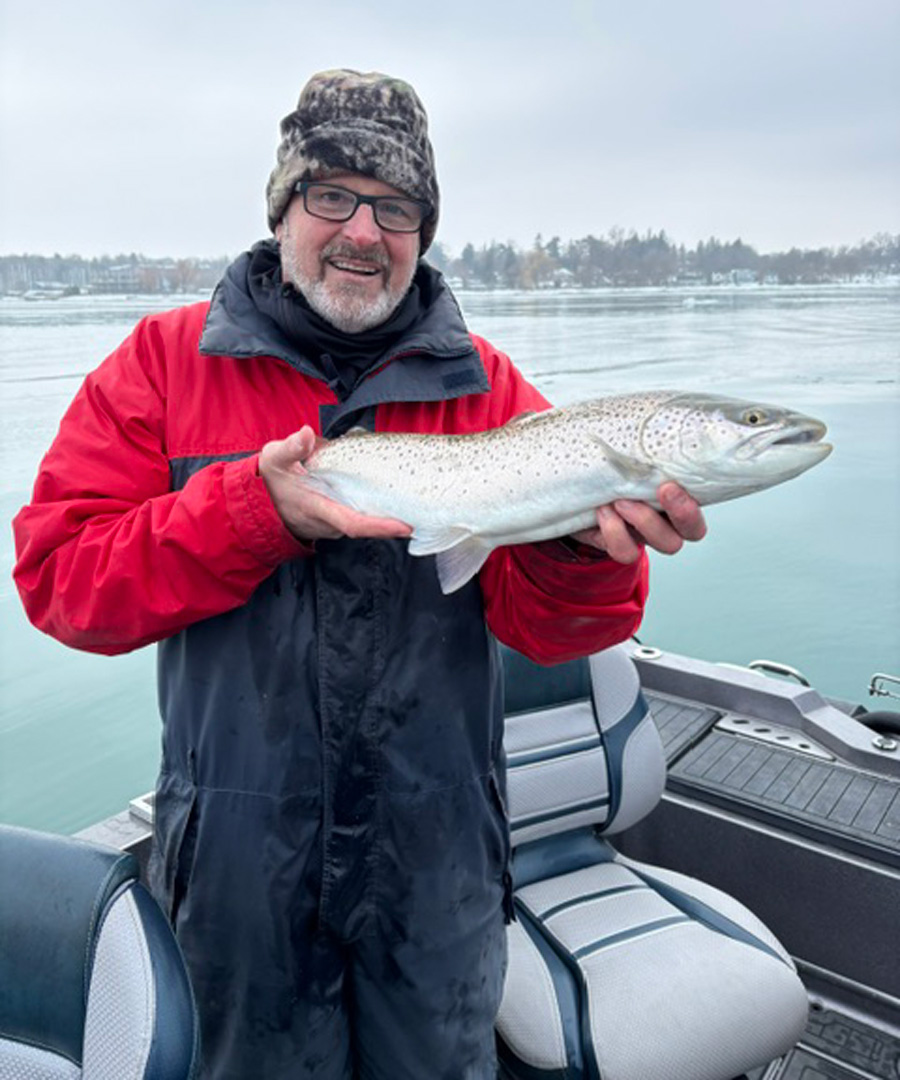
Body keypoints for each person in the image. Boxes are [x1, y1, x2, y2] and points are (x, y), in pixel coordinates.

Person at [12, 70, 706, 1080]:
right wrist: (252, 511)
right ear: (283, 207)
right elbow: (62, 581)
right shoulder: (163, 364)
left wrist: (581, 552)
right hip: (237, 874)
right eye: (332, 195)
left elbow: (550, 631)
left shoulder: (488, 390)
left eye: (396, 208)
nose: (363, 232)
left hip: (439, 872)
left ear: (425, 229)